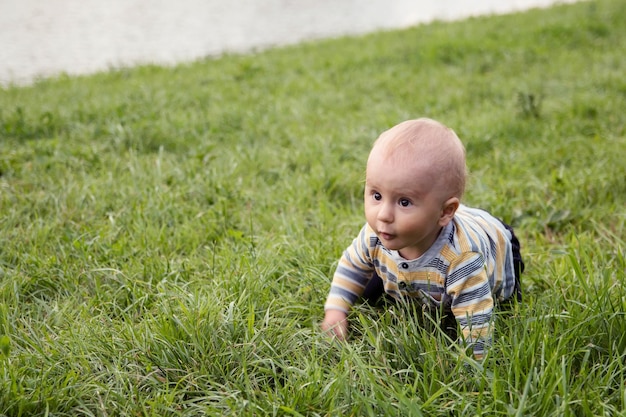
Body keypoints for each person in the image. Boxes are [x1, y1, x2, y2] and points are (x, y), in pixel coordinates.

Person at [321, 118, 524, 360]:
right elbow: (352, 265)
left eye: (404, 202)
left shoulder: (462, 259)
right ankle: (402, 280)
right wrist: (335, 310)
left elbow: (476, 321)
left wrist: (475, 369)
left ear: (445, 212)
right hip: (419, 247)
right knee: (367, 286)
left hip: (498, 246)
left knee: (483, 302)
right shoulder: (375, 233)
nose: (383, 215)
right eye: (376, 195)